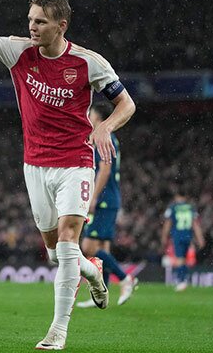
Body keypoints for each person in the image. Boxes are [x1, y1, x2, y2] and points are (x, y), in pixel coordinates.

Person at [0, 0, 136, 350]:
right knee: (59, 254)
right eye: (30, 21)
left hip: (75, 161)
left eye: (40, 22)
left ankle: (57, 331)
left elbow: (126, 104)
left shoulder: (89, 63)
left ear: (61, 25)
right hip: (35, 165)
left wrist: (106, 128)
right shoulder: (19, 51)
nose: (32, 28)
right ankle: (93, 271)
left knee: (70, 241)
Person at [77, 102, 138, 308]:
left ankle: (125, 278)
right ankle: (104, 294)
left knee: (89, 248)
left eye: (91, 114)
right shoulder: (111, 138)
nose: (89, 117)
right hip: (111, 198)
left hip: (103, 200)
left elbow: (104, 169)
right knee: (103, 248)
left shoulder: (103, 136)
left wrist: (93, 197)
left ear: (99, 118)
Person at [161, 192, 205, 291]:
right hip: (188, 236)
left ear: (176, 196)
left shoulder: (173, 207)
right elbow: (195, 224)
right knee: (184, 259)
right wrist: (200, 238)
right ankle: (184, 279)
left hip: (178, 236)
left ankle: (181, 281)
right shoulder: (190, 208)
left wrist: (164, 237)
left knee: (180, 258)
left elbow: (168, 223)